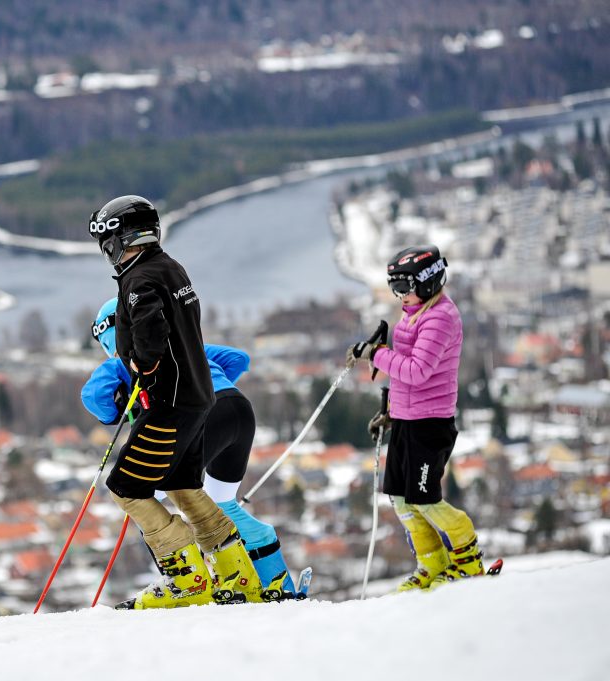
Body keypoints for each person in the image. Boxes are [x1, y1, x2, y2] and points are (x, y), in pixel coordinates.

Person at [87, 195, 265, 609]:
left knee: (125, 487)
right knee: (181, 484)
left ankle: (189, 583)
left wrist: (140, 365)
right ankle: (238, 577)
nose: (107, 252)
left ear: (118, 240)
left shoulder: (138, 280)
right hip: (199, 399)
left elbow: (149, 330)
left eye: (107, 242)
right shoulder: (170, 267)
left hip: (168, 404)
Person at [82, 297, 298, 599]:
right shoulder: (184, 345)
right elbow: (239, 358)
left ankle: (185, 582)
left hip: (205, 416)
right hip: (238, 411)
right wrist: (212, 384)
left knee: (150, 492)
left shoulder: (126, 358)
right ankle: (273, 576)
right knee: (219, 501)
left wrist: (116, 413)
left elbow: (93, 396)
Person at [347, 244, 485, 591]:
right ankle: (432, 562)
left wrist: (377, 354)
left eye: (404, 286)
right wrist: (390, 411)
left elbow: (417, 370)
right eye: (395, 287)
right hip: (409, 419)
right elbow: (405, 373)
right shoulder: (414, 312)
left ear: (426, 282)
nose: (399, 295)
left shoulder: (440, 317)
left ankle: (468, 560)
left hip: (430, 424)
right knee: (399, 498)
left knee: (424, 498)